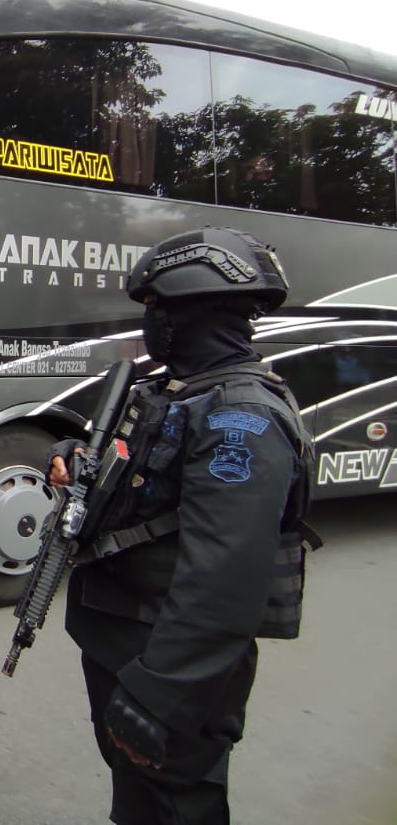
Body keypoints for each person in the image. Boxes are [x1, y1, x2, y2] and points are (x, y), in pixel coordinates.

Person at [48, 226, 314, 825]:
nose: (150, 321)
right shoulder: (179, 393)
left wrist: (158, 693)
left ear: (192, 310)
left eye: (157, 307)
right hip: (124, 641)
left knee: (175, 805)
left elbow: (223, 582)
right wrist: (68, 452)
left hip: (167, 664)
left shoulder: (240, 418)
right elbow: (131, 467)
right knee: (139, 802)